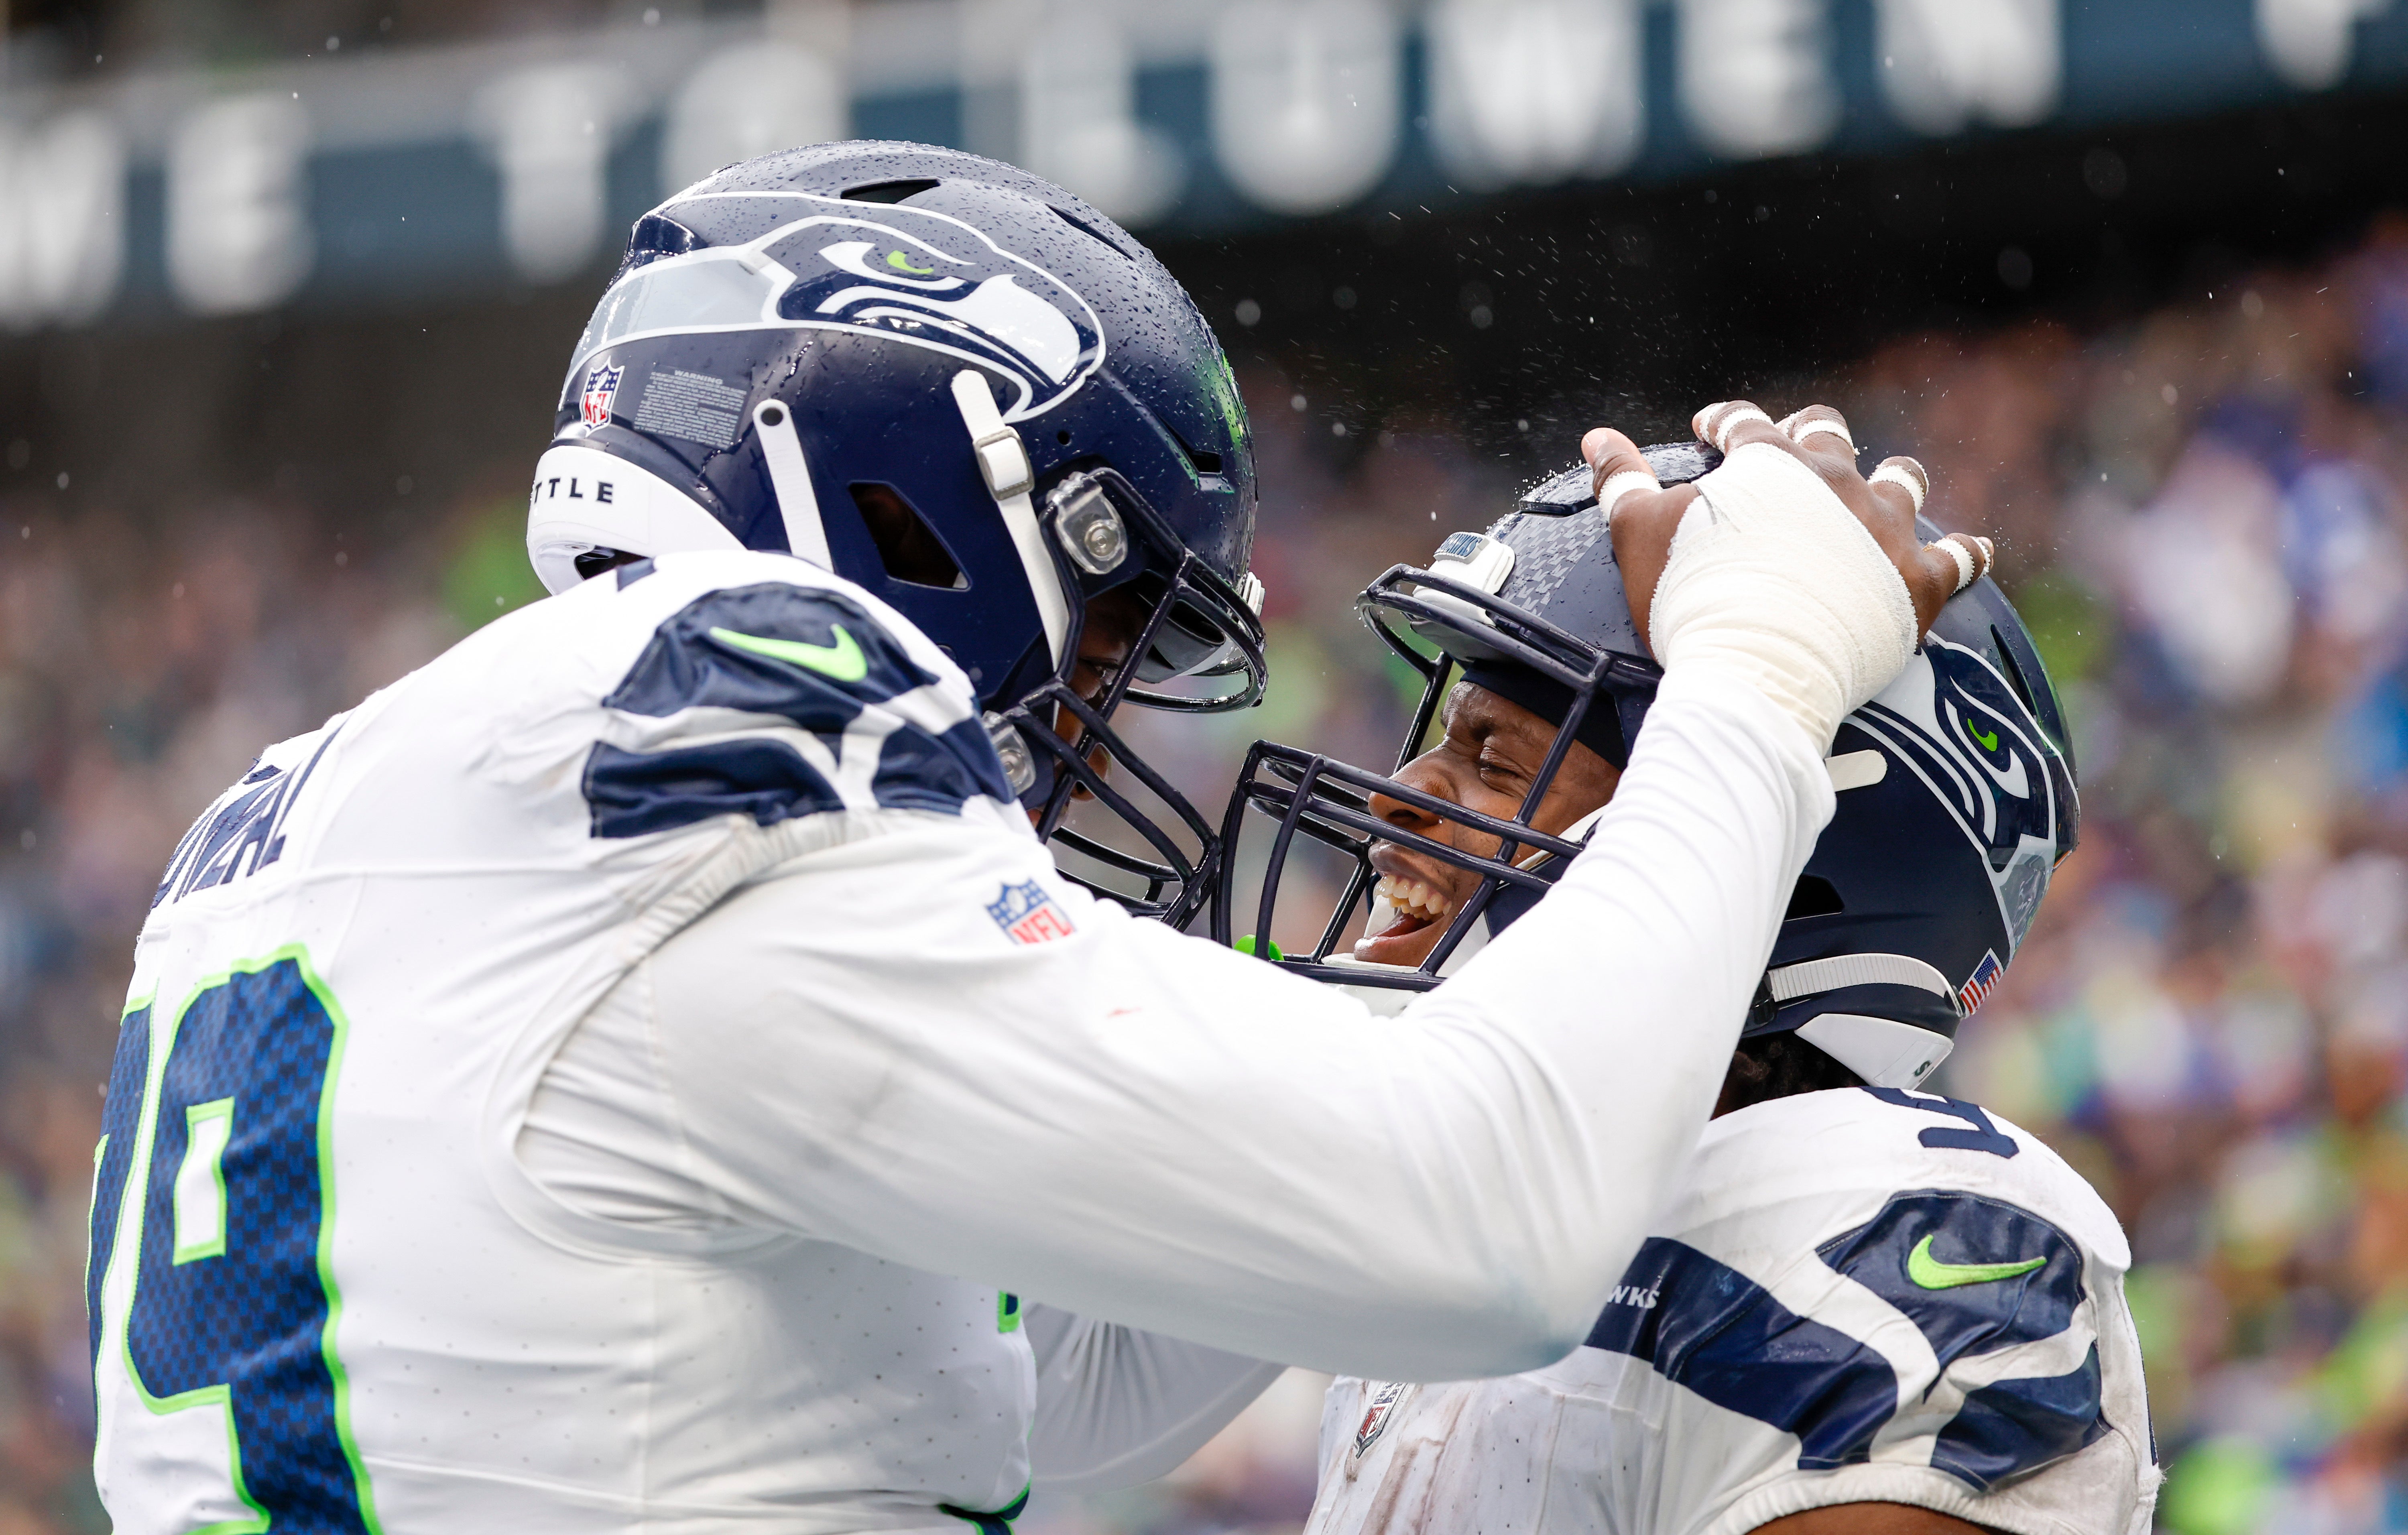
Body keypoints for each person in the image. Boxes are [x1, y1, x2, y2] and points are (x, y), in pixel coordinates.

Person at [87, 141, 1991, 1533]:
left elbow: (1051, 1368)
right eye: (1110, 624)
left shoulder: (320, 800)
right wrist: (1754, 674)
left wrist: (1445, 968)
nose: (1094, 724)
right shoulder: (734, 705)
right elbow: (1481, 1234)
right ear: (920, 514)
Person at [1226, 417, 2156, 1535]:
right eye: (1440, 737)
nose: (1395, 793)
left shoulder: (1881, 1224)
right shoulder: (1482, 1215)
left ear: (1799, 854)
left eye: (1495, 757)